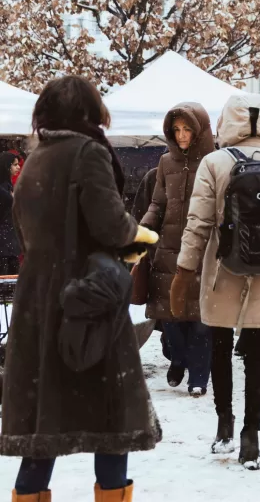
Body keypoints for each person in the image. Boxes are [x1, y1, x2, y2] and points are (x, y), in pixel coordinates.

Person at [0, 75, 161, 500]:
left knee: (43, 426)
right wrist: (142, 238)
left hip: (38, 304)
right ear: (91, 112)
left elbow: (26, 230)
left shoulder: (36, 159)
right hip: (87, 301)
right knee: (110, 423)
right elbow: (111, 224)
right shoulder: (88, 152)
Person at [173, 93, 260, 470]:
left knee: (219, 348)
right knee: (256, 357)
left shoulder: (213, 163)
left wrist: (183, 272)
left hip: (222, 272)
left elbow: (197, 224)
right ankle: (252, 435)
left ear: (225, 123)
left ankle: (224, 424)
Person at [140, 103, 216, 398]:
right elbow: (158, 204)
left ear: (199, 131)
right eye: (177, 130)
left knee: (200, 320)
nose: (182, 135)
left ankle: (199, 377)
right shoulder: (165, 162)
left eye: (187, 129)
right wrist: (144, 231)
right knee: (170, 317)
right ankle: (179, 359)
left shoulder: (214, 162)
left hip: (203, 250)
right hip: (168, 249)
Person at [0, 152, 21, 275]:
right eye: (15, 164)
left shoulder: (8, 187)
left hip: (10, 242)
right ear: (7, 166)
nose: (18, 167)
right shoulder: (3, 190)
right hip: (4, 244)